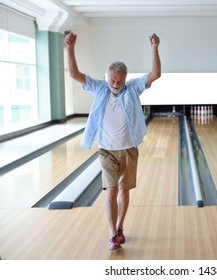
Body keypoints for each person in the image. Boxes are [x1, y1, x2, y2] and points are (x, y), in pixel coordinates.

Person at [65, 32, 161, 250]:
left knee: (124, 192)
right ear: (106, 76)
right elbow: (74, 73)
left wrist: (155, 47)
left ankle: (119, 227)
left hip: (128, 149)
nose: (116, 84)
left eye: (119, 81)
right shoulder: (99, 87)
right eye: (112, 80)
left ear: (125, 79)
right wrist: (70, 48)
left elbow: (156, 73)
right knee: (111, 192)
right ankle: (111, 235)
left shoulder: (133, 88)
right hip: (106, 151)